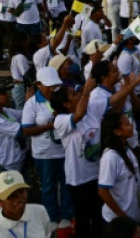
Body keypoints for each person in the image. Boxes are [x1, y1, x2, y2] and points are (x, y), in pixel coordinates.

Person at [51, 78, 105, 238]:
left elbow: (113, 100)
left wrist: (133, 84)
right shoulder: (60, 121)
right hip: (79, 179)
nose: (79, 95)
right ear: (67, 104)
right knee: (83, 218)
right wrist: (87, 91)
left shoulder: (89, 111)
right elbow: (79, 114)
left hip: (97, 174)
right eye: (75, 94)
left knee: (98, 215)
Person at [23, 67, 73, 230]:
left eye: (54, 85)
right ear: (38, 84)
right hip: (44, 153)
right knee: (48, 185)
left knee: (67, 184)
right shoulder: (32, 103)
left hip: (64, 150)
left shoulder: (59, 98)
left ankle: (66, 215)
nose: (52, 89)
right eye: (49, 86)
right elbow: (26, 129)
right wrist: (50, 125)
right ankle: (51, 217)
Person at [0, 170, 54, 238]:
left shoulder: (38, 211)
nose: (19, 198)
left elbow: (47, 234)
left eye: (21, 191)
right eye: (11, 196)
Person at [98, 111, 140, 223]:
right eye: (127, 124)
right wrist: (122, 217)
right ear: (117, 132)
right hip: (119, 222)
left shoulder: (126, 148)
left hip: (133, 215)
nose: (131, 125)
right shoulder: (110, 157)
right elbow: (103, 191)